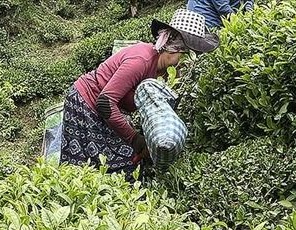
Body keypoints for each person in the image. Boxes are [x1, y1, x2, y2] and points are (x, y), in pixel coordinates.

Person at [59, 8, 218, 179]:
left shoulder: (162, 70)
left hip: (104, 108)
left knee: (121, 160)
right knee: (108, 165)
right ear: (173, 49)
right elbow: (105, 103)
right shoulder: (141, 60)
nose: (184, 64)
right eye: (185, 56)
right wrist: (135, 139)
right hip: (85, 104)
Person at [187, 0, 253, 30]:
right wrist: (241, 25)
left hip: (218, 17)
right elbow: (223, 8)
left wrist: (249, 13)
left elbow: (248, 1)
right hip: (204, 20)